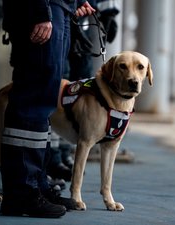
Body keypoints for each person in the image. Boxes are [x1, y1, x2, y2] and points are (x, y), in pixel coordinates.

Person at [0, 0, 95, 218]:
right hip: (44, 9)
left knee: (45, 99)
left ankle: (36, 185)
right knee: (34, 99)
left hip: (57, 9)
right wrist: (40, 11)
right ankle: (22, 192)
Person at [47, 0, 120, 181]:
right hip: (62, 12)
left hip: (84, 18)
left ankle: (64, 153)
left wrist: (107, 11)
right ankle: (51, 158)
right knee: (58, 91)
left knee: (78, 96)